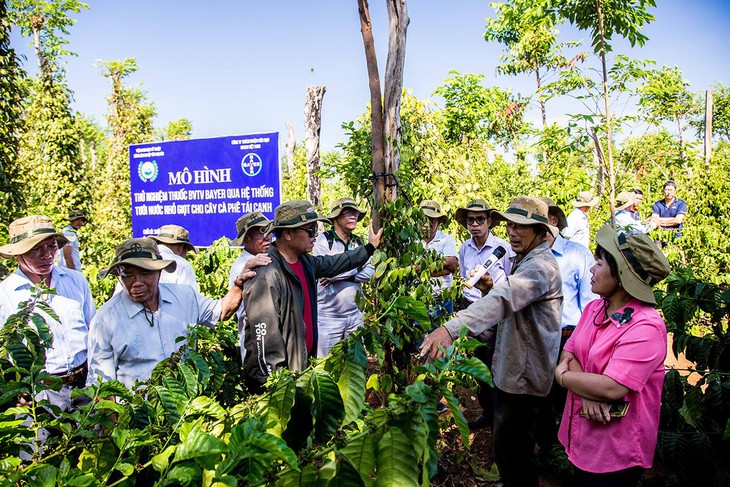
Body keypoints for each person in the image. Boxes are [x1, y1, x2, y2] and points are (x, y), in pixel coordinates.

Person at [420, 196, 563, 487]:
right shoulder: (526, 260)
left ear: (540, 231)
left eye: (520, 227)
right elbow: (507, 300)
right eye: (510, 224)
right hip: (514, 368)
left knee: (515, 453)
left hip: (523, 377)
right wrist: (488, 288)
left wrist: (450, 328)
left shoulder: (539, 267)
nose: (512, 231)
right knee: (508, 448)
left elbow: (505, 298)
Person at [554, 226, 670, 487]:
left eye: (598, 263)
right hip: (582, 434)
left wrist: (562, 377)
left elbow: (612, 386)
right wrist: (587, 390)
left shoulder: (645, 327)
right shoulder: (595, 308)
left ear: (620, 275)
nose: (592, 270)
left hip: (616, 448)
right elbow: (569, 352)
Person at [241, 200, 382, 392]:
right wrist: (275, 386)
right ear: (288, 233)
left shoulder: (305, 262)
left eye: (315, 228)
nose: (315, 234)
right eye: (310, 229)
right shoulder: (266, 274)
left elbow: (336, 263)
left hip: (301, 367)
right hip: (282, 383)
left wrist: (369, 248)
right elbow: (264, 339)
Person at [86, 237, 264, 389]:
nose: (136, 282)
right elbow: (102, 386)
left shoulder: (184, 297)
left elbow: (222, 312)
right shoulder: (106, 320)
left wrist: (239, 284)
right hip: (137, 419)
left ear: (159, 272)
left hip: (184, 410)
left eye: (145, 273)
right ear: (118, 274)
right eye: (128, 275)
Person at [0, 215, 95, 412]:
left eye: (51, 246)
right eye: (36, 249)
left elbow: (93, 332)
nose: (47, 255)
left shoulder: (76, 281)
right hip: (41, 393)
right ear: (19, 254)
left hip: (84, 385)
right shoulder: (6, 293)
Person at [537, 197, 598, 459]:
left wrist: (579, 346)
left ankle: (571, 452)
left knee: (569, 397)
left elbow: (591, 306)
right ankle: (547, 449)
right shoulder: (528, 257)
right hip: (539, 339)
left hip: (569, 338)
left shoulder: (578, 254)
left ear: (552, 221)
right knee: (542, 398)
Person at [454, 198, 514, 430]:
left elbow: (510, 281)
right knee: (479, 365)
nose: (475, 224)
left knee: (496, 364)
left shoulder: (503, 248)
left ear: (489, 221)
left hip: (495, 312)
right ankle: (487, 412)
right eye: (471, 220)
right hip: (472, 311)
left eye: (480, 219)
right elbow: (463, 278)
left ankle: (500, 415)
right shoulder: (464, 248)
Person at [313, 198, 374, 358]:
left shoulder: (358, 242)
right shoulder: (324, 241)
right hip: (328, 316)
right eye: (347, 212)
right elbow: (326, 271)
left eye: (354, 212)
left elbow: (371, 271)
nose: (353, 216)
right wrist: (357, 267)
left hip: (355, 315)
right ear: (335, 218)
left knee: (355, 364)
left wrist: (339, 276)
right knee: (325, 365)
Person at [228, 211, 273, 362]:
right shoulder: (244, 266)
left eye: (268, 231)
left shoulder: (265, 260)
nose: (268, 237)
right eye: (261, 233)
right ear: (247, 238)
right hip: (256, 343)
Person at [420, 199, 458, 317]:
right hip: (418, 301)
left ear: (438, 222)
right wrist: (441, 265)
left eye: (432, 221)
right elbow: (405, 267)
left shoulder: (447, 239)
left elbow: (452, 265)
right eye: (423, 220)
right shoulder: (411, 240)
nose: (427, 225)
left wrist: (419, 268)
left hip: (443, 300)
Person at [149, 224, 199, 291]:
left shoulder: (142, 260)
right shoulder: (183, 265)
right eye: (187, 250)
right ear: (180, 248)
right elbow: (189, 298)